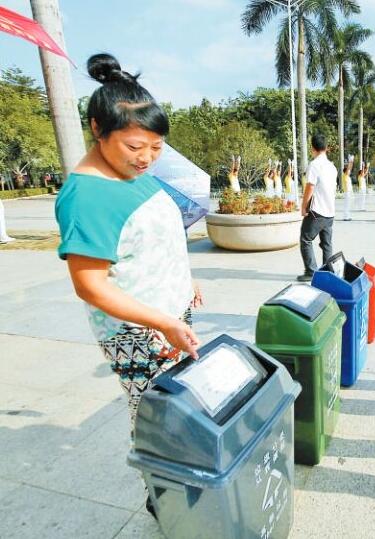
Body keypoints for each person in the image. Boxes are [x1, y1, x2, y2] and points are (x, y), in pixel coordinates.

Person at [54, 53, 201, 518]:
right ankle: (162, 497)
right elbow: (91, 286)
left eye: (156, 148)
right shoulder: (88, 194)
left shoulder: (133, 173)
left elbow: (156, 236)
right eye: (136, 146)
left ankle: (182, 479)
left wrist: (185, 280)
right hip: (138, 331)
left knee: (180, 410)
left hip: (169, 313)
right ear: (97, 128)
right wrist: (163, 320)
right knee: (157, 417)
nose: (146, 158)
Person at [298, 133, 337, 282]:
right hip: (330, 212)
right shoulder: (332, 167)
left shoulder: (314, 165)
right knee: (326, 243)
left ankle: (310, 271)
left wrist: (303, 207)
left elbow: (310, 187)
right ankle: (328, 272)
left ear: (312, 148)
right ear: (326, 148)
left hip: (317, 211)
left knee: (305, 239)